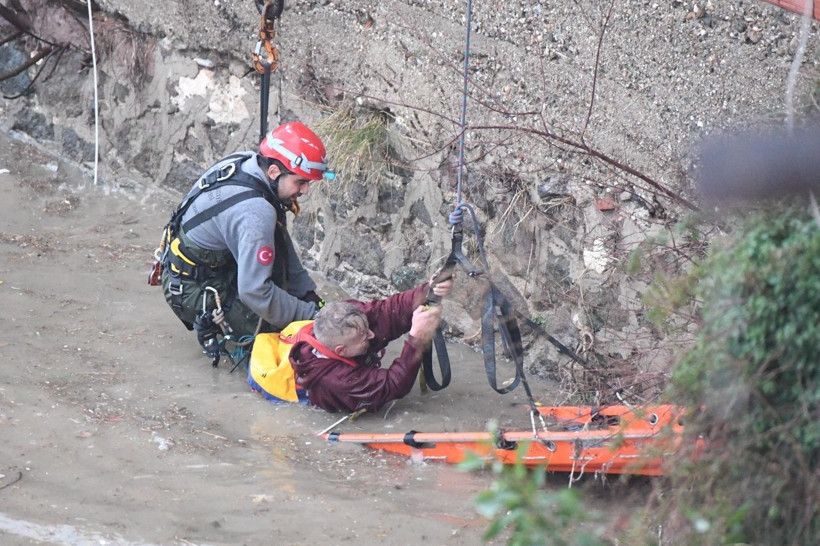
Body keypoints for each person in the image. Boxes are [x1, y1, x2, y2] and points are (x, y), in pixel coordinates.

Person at [158, 121, 332, 359]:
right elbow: (255, 292)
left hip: (193, 265)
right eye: (300, 182)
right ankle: (220, 327)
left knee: (285, 298)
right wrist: (311, 318)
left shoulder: (246, 162)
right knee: (281, 341)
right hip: (191, 289)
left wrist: (310, 297)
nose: (304, 191)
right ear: (273, 172)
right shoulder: (256, 211)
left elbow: (280, 241)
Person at [287, 278, 453, 413]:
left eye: (367, 328)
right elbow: (393, 386)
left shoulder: (352, 319)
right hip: (316, 393)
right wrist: (417, 337)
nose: (372, 335)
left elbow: (390, 310)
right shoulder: (337, 379)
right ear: (341, 351)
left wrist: (429, 290)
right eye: (363, 336)